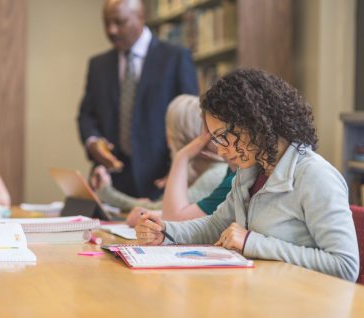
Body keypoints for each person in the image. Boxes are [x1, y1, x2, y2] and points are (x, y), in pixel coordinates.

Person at [135, 68, 359, 282]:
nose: (221, 150)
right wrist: (165, 231)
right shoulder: (250, 172)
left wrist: (252, 242)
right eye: (215, 139)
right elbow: (215, 226)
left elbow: (345, 266)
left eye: (224, 136)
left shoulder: (315, 176)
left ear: (255, 122)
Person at [78, 0, 198, 200]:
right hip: (112, 179)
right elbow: (86, 115)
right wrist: (93, 142)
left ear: (141, 17)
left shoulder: (176, 58)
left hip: (162, 179)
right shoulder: (98, 65)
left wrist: (181, 168)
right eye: (106, 23)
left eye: (119, 22)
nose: (111, 30)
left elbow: (191, 118)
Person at [90, 94, 228, 215]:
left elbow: (164, 211)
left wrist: (108, 193)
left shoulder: (215, 174)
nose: (166, 136)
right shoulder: (196, 172)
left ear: (182, 134)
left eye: (169, 128)